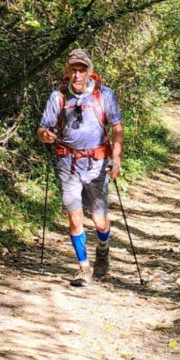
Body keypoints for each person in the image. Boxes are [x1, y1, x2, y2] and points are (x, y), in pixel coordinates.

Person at [37, 49, 123, 286]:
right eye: (73, 70)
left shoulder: (104, 95)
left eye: (81, 70)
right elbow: (42, 128)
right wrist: (45, 135)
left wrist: (116, 160)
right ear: (67, 72)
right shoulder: (58, 97)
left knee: (99, 221)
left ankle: (103, 249)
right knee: (75, 218)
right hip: (68, 165)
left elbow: (117, 128)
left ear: (89, 72)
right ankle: (83, 268)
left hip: (97, 165)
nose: (77, 75)